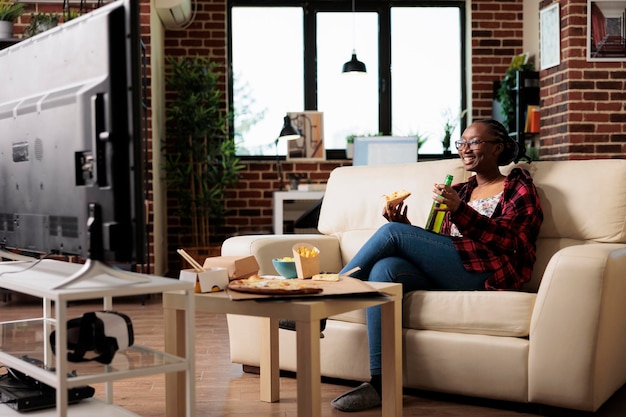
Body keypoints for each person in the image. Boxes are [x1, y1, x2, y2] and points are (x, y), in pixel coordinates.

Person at [330, 119, 544, 412]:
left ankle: (327, 296)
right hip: (456, 266)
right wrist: (405, 227)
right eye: (462, 143)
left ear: (498, 148)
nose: (465, 149)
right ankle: (381, 383)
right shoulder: (461, 189)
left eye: (474, 142)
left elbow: (512, 241)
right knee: (385, 271)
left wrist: (459, 211)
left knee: (391, 236)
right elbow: (443, 243)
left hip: (492, 270)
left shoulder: (517, 185)